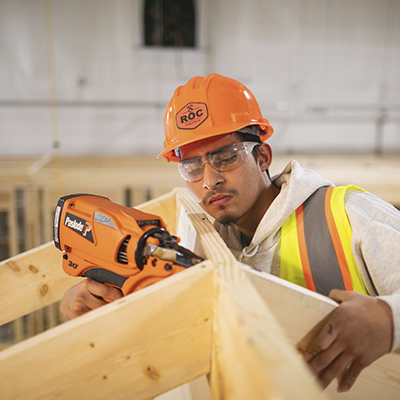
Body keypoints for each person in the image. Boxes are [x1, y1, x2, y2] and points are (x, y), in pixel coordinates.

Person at [61, 73, 400, 393]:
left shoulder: (348, 214)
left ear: (262, 155)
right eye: (192, 166)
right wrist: (83, 303)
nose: (210, 180)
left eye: (225, 157)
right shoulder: (199, 238)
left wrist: (389, 320)